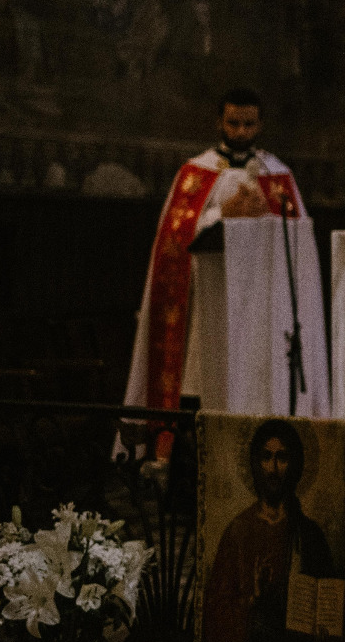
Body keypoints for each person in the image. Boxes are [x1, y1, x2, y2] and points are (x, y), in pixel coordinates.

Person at [125, 87, 307, 420]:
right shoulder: (196, 172)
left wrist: (266, 215)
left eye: (249, 124)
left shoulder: (277, 174)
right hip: (210, 299)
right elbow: (175, 236)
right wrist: (224, 213)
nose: (241, 131)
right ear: (219, 123)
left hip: (259, 305)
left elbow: (297, 246)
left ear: (260, 125)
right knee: (203, 382)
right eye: (233, 123)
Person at [200, 418, 345, 642]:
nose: (274, 468)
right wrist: (251, 600)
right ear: (255, 463)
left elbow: (329, 603)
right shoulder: (238, 531)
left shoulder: (309, 534)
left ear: (295, 465)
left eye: (282, 458)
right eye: (266, 457)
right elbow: (215, 609)